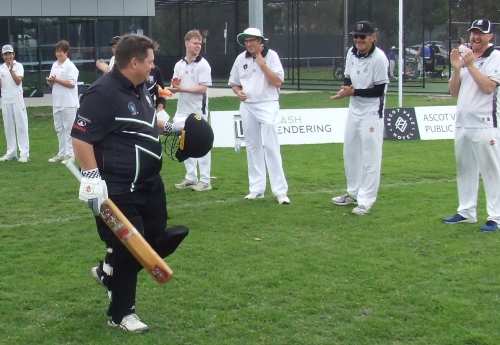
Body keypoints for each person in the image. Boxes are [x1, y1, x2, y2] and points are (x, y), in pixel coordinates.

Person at [71, 34, 189, 332]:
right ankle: (122, 313)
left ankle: (109, 273)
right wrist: (92, 176)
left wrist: (175, 127)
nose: (153, 66)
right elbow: (80, 136)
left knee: (157, 239)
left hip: (150, 183)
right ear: (133, 62)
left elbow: (148, 121)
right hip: (119, 187)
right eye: (149, 60)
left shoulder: (142, 87)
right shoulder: (102, 93)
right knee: (130, 247)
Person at [443, 18, 500, 232]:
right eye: (473, 33)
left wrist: (470, 65)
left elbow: (487, 87)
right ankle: (466, 211)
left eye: (480, 33)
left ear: (490, 36)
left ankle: (496, 217)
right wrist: (457, 69)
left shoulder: (496, 58)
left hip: (486, 124)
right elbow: (453, 92)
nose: (475, 37)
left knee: (491, 172)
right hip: (462, 124)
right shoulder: (466, 58)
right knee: (465, 169)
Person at [330, 21, 389, 215]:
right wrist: (346, 89)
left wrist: (353, 92)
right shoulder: (351, 53)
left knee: (370, 158)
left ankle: (366, 200)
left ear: (373, 37)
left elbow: (379, 90)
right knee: (350, 153)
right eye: (355, 36)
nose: (358, 40)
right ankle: (353, 192)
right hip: (354, 111)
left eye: (362, 36)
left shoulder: (379, 58)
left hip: (372, 113)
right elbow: (347, 76)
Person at [228, 28, 290, 205]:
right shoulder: (241, 59)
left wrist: (262, 64)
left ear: (260, 41)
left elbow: (278, 82)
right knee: (252, 146)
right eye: (246, 41)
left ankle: (280, 191)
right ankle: (256, 188)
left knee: (271, 146)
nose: (249, 44)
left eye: (252, 40)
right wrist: (238, 92)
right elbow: (234, 83)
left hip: (267, 104)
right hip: (247, 106)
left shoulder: (272, 56)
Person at [170, 29, 213, 192]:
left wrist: (182, 89)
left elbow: (203, 88)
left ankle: (205, 180)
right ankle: (191, 177)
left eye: (200, 43)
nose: (198, 46)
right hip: (182, 110)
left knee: (202, 142)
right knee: (184, 142)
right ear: (186, 43)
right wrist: (172, 88)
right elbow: (177, 87)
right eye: (195, 43)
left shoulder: (203, 64)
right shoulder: (179, 64)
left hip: (197, 110)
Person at [46, 40, 79, 164]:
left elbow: (71, 84)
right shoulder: (55, 65)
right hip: (57, 102)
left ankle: (70, 155)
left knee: (69, 129)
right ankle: (61, 153)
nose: (58, 54)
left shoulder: (71, 66)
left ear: (66, 52)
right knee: (59, 129)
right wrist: (50, 81)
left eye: (60, 51)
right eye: (56, 51)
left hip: (69, 103)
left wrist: (57, 80)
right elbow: (52, 82)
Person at [0, 44, 30, 162]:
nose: (8, 56)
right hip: (6, 100)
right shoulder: (1, 68)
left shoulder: (19, 66)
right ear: (2, 56)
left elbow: (18, 81)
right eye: (5, 54)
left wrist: (11, 70)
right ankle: (11, 152)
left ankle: (24, 153)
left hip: (17, 100)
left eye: (10, 54)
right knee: (8, 127)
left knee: (21, 127)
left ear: (13, 54)